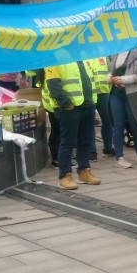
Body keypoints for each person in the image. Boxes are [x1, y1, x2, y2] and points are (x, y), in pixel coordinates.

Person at [45, 57, 104, 190]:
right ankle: (64, 176)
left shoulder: (82, 57)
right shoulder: (55, 57)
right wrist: (66, 104)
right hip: (69, 108)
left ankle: (84, 171)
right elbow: (53, 84)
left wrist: (92, 103)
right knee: (67, 142)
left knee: (85, 141)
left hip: (87, 105)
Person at [108, 47, 137, 168]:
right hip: (116, 94)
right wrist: (109, 76)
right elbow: (110, 70)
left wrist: (124, 79)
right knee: (118, 125)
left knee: (136, 124)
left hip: (133, 95)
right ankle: (119, 157)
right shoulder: (114, 53)